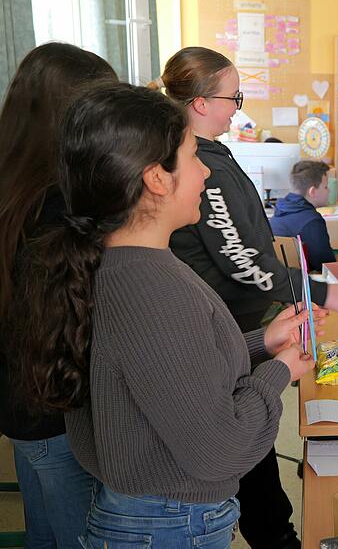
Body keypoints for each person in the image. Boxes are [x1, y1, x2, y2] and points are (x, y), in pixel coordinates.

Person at [10, 82, 316, 547]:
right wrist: (277, 373)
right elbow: (220, 450)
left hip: (154, 514)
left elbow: (164, 374)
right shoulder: (149, 287)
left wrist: (260, 343)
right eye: (194, 158)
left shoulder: (125, 264)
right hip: (168, 524)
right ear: (156, 178)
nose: (205, 176)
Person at [158, 47, 338, 549]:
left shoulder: (207, 149)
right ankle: (275, 536)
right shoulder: (199, 160)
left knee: (254, 440)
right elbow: (242, 261)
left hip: (238, 325)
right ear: (200, 102)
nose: (238, 107)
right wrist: (320, 290)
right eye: (233, 97)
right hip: (227, 324)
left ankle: (272, 527)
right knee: (249, 446)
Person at [0, 43, 118, 548]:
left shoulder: (15, 189)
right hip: (59, 417)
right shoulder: (56, 207)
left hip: (23, 412)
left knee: (44, 534)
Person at [270, 160, 336, 271]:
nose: (329, 191)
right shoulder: (312, 221)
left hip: (282, 281)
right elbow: (327, 267)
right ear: (312, 192)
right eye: (326, 187)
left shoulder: (279, 211)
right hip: (304, 284)